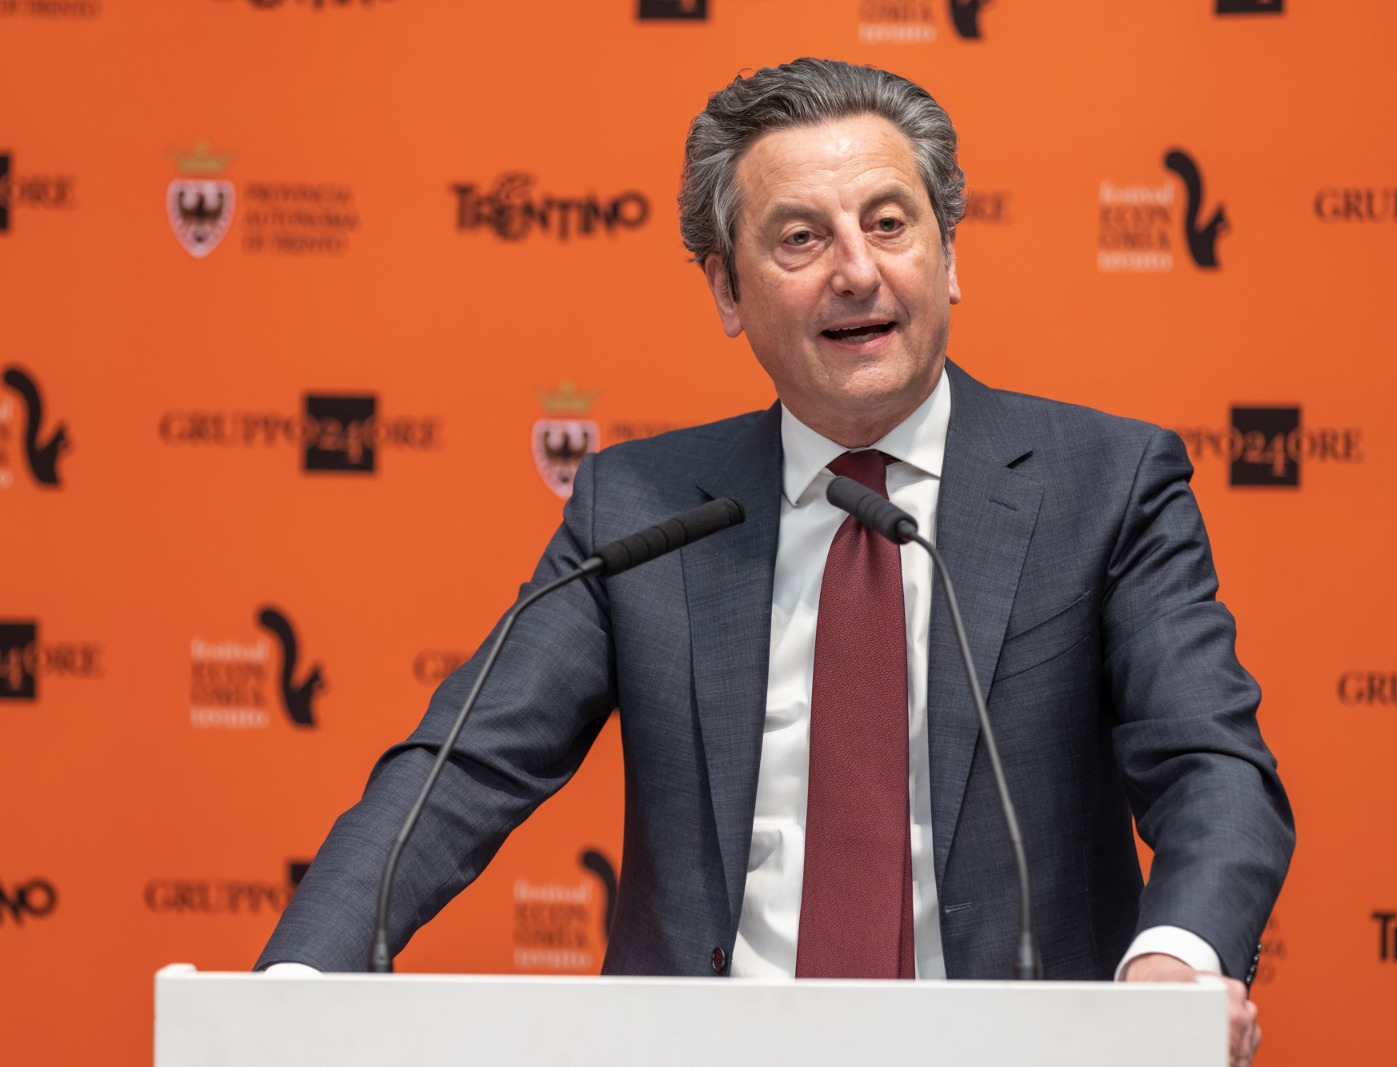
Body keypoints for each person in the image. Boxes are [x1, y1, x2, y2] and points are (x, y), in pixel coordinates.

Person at [259, 58, 1292, 1066]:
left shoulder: (1104, 483)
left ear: (948, 254)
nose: (857, 270)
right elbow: (463, 767)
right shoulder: (642, 505)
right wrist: (290, 990)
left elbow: (1210, 764)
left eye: (889, 224)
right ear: (726, 289)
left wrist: (1174, 961)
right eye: (801, 238)